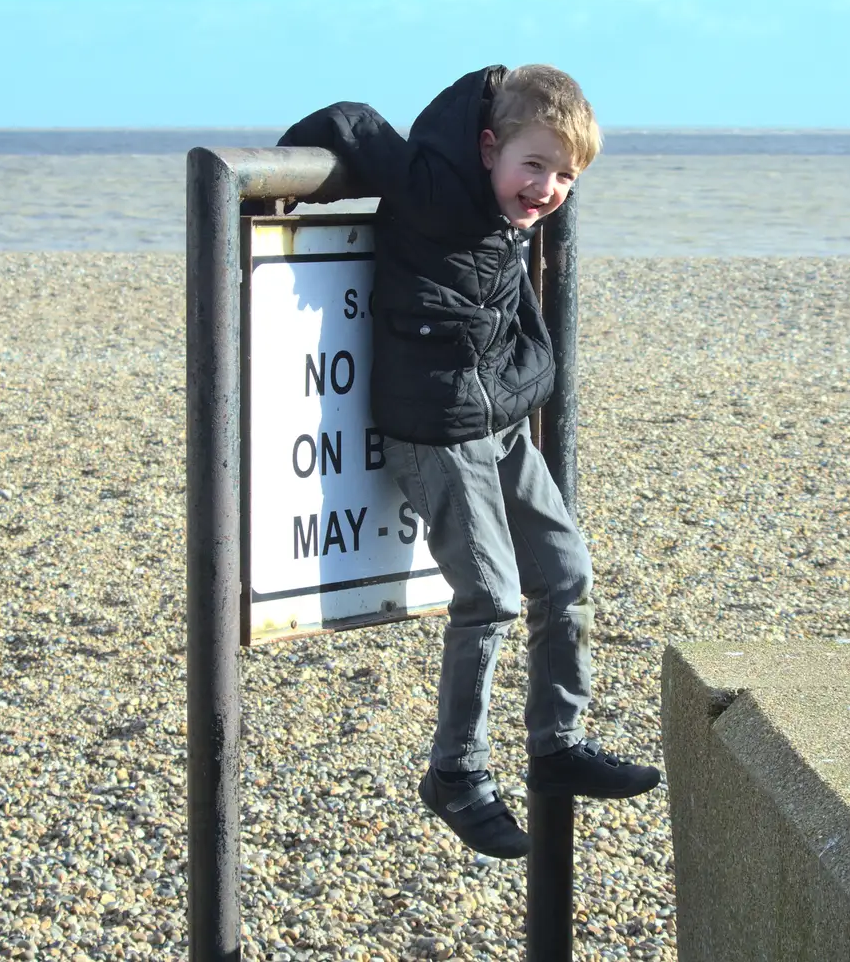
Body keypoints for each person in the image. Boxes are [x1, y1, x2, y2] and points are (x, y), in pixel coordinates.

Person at [277, 65, 659, 859]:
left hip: (501, 416)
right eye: (534, 166)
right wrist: (279, 182)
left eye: (565, 176)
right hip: (438, 423)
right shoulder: (431, 182)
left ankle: (557, 743)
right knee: (490, 596)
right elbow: (351, 121)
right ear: (488, 148)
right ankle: (458, 772)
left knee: (566, 572)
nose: (547, 188)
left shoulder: (513, 206)